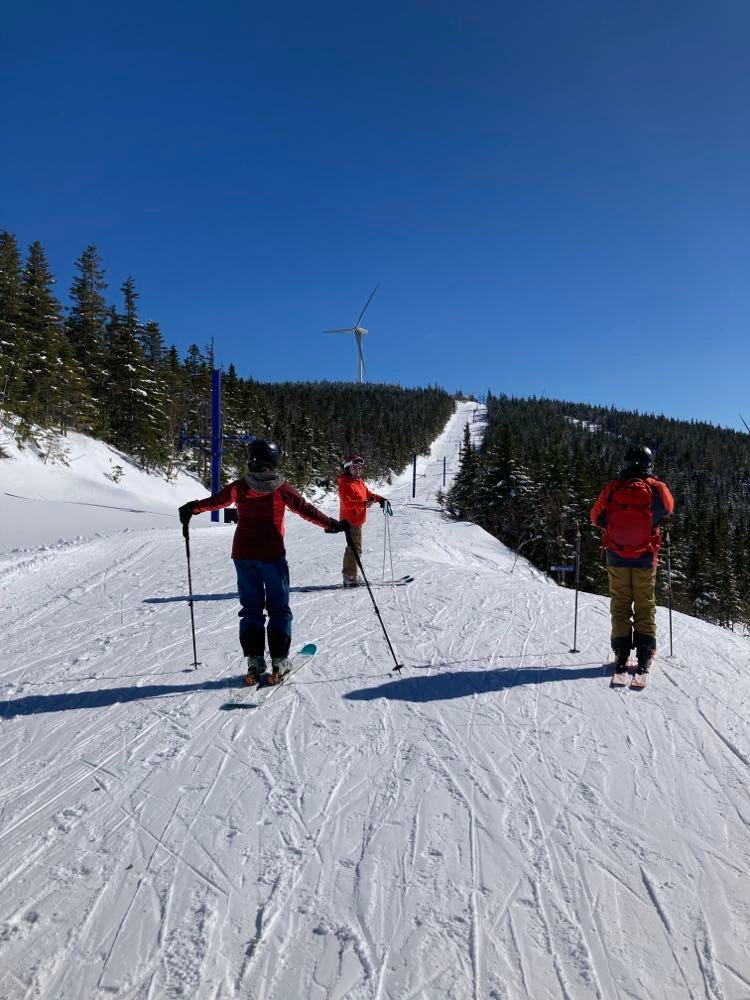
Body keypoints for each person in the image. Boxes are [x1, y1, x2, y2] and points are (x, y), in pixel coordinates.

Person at [179, 440, 347, 686]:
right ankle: (279, 661)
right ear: (274, 462)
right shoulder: (281, 488)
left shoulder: (239, 487)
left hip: (243, 555)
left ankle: (254, 661)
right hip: (271, 555)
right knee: (278, 608)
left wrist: (192, 508)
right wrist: (332, 524)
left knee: (251, 609)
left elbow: (216, 502)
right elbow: (305, 509)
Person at [590, 445, 675, 675]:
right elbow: (669, 509)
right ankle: (645, 652)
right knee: (645, 604)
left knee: (620, 604)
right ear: (649, 465)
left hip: (616, 555)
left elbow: (595, 517)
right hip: (646, 555)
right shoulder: (656, 488)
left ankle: (621, 651)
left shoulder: (613, 488)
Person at [336, 454, 387, 587]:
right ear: (348, 468)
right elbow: (347, 503)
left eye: (360, 467)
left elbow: (368, 495)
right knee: (355, 549)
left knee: (353, 548)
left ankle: (349, 574)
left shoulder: (359, 482)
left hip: (357, 520)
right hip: (350, 521)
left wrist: (380, 499)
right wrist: (363, 504)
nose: (358, 470)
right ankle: (350, 576)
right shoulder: (345, 483)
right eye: (355, 467)